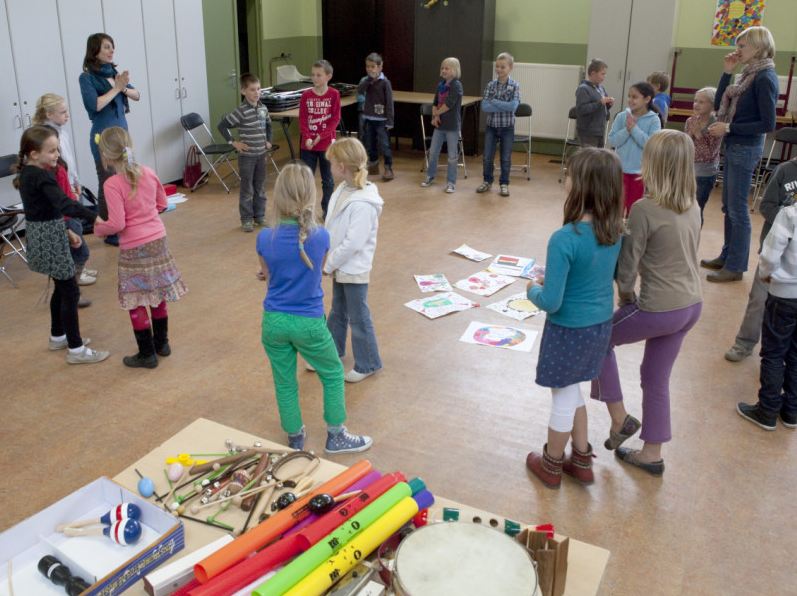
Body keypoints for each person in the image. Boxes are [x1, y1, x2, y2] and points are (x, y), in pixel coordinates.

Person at [591, 130, 702, 477]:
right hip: (691, 305)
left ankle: (620, 419)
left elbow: (628, 268)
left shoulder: (644, 209)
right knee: (655, 377)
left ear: (652, 164)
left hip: (659, 308)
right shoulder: (693, 204)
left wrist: (625, 298)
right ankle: (651, 453)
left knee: (599, 338)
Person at [525, 148, 624, 489]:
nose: (565, 179)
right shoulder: (614, 231)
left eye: (569, 175)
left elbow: (552, 301)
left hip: (568, 329)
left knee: (563, 396)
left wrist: (531, 290)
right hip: (599, 327)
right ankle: (580, 459)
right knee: (574, 388)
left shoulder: (564, 238)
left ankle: (552, 463)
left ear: (582, 186)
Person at [257, 162, 372, 454]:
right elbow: (316, 272)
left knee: (284, 381)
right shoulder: (320, 237)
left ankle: (295, 437)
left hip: (274, 321)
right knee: (332, 373)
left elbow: (269, 278)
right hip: (307, 321)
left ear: (279, 195)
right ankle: (336, 436)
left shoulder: (264, 237)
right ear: (311, 194)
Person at [13, 125, 110, 365]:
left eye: (57, 150)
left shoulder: (30, 172)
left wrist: (66, 231)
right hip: (48, 237)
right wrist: (93, 216)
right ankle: (76, 350)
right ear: (34, 153)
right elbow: (63, 203)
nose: (57, 155)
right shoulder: (41, 176)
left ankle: (58, 336)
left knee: (61, 285)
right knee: (70, 290)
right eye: (52, 151)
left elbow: (44, 209)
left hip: (47, 233)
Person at [93, 127, 187, 369]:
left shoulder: (112, 184)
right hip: (158, 240)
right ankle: (162, 344)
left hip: (133, 247)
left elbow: (117, 223)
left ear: (105, 155)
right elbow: (162, 204)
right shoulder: (148, 172)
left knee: (136, 298)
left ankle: (147, 354)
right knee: (157, 291)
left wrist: (98, 228)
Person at [702, 26, 778, 283]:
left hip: (746, 148)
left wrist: (730, 127)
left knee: (737, 209)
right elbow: (718, 104)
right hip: (734, 145)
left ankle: (735, 266)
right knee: (728, 206)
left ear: (758, 47)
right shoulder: (746, 75)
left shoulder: (765, 77)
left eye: (743, 45)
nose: (738, 50)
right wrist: (727, 71)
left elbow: (768, 124)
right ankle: (727, 255)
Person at [725, 156, 797, 362]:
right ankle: (744, 343)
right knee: (759, 299)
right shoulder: (785, 170)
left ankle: (787, 355)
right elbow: (766, 206)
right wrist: (789, 227)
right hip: (775, 252)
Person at [324, 138, 384, 383]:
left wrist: (328, 264)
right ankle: (331, 354)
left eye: (330, 163)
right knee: (338, 311)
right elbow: (332, 226)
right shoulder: (342, 189)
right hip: (340, 266)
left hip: (352, 268)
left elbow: (353, 244)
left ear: (341, 167)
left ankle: (368, 362)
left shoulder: (363, 203)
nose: (328, 167)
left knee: (359, 317)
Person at [737, 201, 797, 431]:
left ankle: (767, 410)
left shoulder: (789, 214)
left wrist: (766, 275)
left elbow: (770, 256)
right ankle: (791, 410)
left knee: (773, 352)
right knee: (795, 354)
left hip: (783, 295)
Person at [34, 94, 98, 305]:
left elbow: (68, 161)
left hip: (69, 190)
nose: (67, 115)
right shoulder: (46, 137)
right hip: (62, 199)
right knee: (75, 242)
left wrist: (76, 181)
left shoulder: (62, 134)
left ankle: (73, 283)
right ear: (49, 114)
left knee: (77, 236)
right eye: (63, 112)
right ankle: (71, 290)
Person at [79, 32, 140, 247]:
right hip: (102, 137)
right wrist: (116, 88)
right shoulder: (86, 78)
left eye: (112, 46)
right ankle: (110, 229)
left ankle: (128, 221)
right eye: (106, 47)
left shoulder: (115, 73)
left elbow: (137, 94)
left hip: (122, 135)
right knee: (109, 183)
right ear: (94, 50)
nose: (111, 50)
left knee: (129, 176)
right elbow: (95, 105)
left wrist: (122, 86)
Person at [218, 73, 273, 232]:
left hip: (261, 154)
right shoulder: (241, 111)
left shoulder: (263, 108)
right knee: (247, 188)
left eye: (258, 89)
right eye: (252, 90)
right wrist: (234, 143)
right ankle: (247, 219)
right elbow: (222, 126)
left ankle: (260, 216)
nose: (256, 93)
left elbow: (268, 125)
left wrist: (269, 140)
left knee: (260, 186)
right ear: (243, 91)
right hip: (247, 158)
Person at [608, 81, 661, 216]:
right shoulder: (621, 117)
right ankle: (616, 236)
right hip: (620, 171)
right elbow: (613, 141)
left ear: (647, 99)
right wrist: (627, 129)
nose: (630, 100)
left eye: (635, 97)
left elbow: (651, 145)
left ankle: (632, 237)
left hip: (640, 174)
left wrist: (634, 129)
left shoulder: (654, 120)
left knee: (634, 212)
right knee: (616, 210)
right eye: (629, 96)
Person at [299, 59, 341, 217]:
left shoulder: (334, 94)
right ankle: (306, 211)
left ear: (328, 76)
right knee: (306, 180)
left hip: (326, 145)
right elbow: (303, 119)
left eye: (319, 75)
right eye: (313, 75)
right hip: (308, 146)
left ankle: (327, 210)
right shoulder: (306, 95)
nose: (315, 78)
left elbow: (335, 119)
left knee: (328, 179)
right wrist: (308, 137)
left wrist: (320, 136)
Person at [477, 52, 521, 197]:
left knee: (505, 157)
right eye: (497, 67)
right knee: (487, 156)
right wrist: (504, 104)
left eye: (503, 67)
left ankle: (504, 183)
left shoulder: (515, 86)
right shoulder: (491, 85)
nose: (499, 69)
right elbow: (485, 106)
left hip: (507, 127)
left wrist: (495, 102)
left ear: (510, 68)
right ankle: (487, 181)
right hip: (491, 126)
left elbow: (513, 107)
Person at [420, 57, 463, 194]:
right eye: (442, 68)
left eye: (447, 68)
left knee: (452, 155)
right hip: (439, 126)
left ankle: (451, 182)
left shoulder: (456, 85)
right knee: (433, 152)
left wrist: (437, 113)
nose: (444, 70)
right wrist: (435, 116)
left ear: (454, 70)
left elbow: (449, 104)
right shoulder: (441, 84)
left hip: (452, 126)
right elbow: (435, 102)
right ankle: (430, 176)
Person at [684, 87, 721, 223]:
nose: (696, 104)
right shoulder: (690, 121)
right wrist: (690, 134)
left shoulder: (716, 124)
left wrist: (699, 134)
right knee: (683, 207)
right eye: (695, 101)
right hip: (688, 170)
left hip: (705, 174)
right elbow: (686, 144)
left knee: (697, 209)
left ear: (712, 104)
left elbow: (710, 154)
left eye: (701, 102)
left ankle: (694, 238)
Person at [358, 53, 394, 182]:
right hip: (368, 117)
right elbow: (360, 91)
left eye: (373, 66)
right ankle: (373, 165)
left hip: (382, 120)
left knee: (384, 144)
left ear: (380, 67)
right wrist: (368, 80)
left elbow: (389, 102)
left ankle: (388, 167)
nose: (370, 69)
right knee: (369, 143)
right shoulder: (366, 81)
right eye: (368, 66)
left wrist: (390, 121)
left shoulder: (385, 83)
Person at [575, 58, 614, 148]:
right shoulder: (583, 89)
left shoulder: (601, 88)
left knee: (598, 158)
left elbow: (601, 107)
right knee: (590, 159)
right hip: (588, 131)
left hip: (599, 130)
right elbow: (581, 109)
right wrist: (600, 103)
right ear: (593, 74)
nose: (604, 77)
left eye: (605, 74)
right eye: (602, 74)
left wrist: (608, 104)